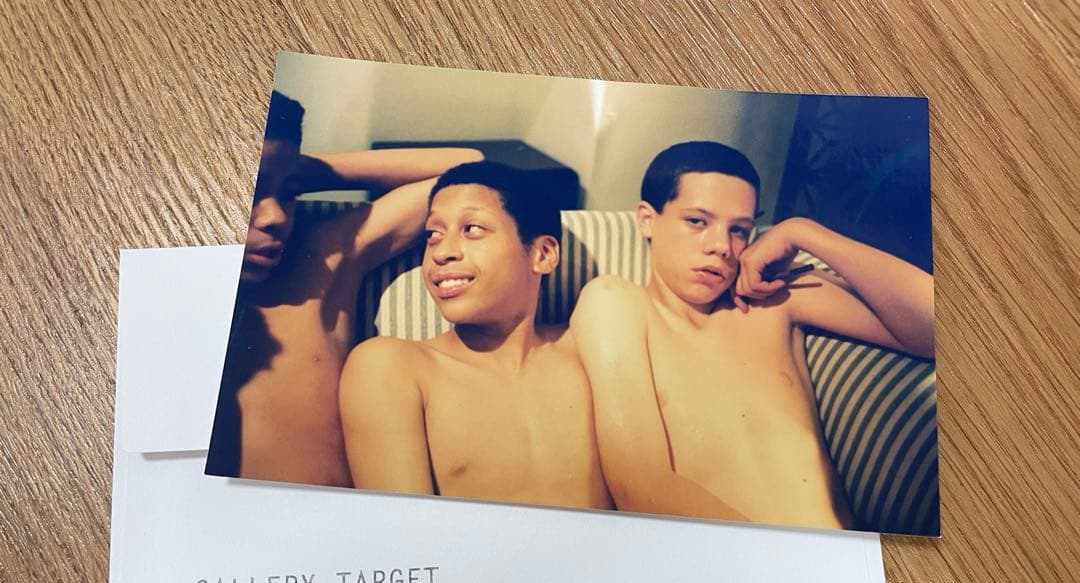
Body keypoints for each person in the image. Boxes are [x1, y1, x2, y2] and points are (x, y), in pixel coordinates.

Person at [569, 141, 935, 529]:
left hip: (834, 549)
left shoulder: (775, 301)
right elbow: (641, 488)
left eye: (739, 230)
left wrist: (801, 232)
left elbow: (937, 329)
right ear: (647, 219)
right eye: (697, 221)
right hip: (735, 556)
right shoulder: (617, 303)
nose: (721, 247)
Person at [206, 91, 481, 486]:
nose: (276, 216)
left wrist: (299, 169)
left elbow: (469, 171)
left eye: (288, 194)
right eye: (251, 191)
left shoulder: (318, 264)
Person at [338, 161, 613, 510]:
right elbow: (405, 531)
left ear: (543, 254)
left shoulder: (590, 351)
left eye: (472, 229)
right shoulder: (394, 367)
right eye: (432, 234)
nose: (441, 252)